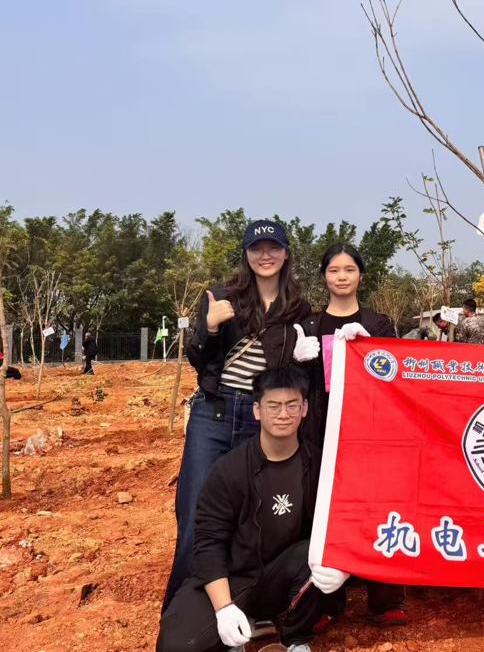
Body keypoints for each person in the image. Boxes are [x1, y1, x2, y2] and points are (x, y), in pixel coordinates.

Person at [163, 219, 311, 609]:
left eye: (273, 247)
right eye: (257, 248)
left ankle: (242, 605)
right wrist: (210, 328)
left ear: (286, 254)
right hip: (214, 412)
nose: (266, 255)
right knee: (197, 511)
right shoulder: (221, 295)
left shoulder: (297, 307)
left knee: (250, 512)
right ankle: (184, 610)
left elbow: (296, 368)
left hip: (262, 417)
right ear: (246, 255)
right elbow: (200, 358)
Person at [157, 366, 347, 652]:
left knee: (318, 553)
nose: (283, 414)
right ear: (257, 410)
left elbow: (342, 522)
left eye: (292, 405)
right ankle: (236, 625)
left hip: (279, 578)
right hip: (232, 578)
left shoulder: (319, 466)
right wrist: (223, 608)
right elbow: (208, 543)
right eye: (273, 406)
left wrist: (341, 566)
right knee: (177, 646)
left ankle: (296, 638)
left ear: (305, 408)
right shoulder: (229, 470)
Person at [291, 242, 407, 627]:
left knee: (375, 506)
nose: (341, 277)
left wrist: (372, 349)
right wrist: (298, 360)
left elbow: (395, 376)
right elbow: (298, 387)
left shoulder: (378, 323)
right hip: (321, 433)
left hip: (369, 433)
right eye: (333, 270)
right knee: (325, 512)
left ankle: (386, 597)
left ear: (361, 275)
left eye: (349, 269)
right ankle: (327, 603)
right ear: (323, 276)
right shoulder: (309, 326)